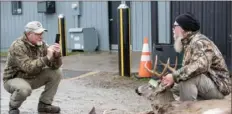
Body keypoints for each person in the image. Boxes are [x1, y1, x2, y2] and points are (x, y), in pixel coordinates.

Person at [161, 12, 231, 101]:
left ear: (183, 28)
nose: (172, 29)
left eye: (174, 26)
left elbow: (200, 66)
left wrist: (174, 76)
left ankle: (187, 109)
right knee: (171, 85)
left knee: (187, 78)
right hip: (206, 84)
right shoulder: (188, 43)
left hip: (219, 87)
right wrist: (171, 80)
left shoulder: (200, 42)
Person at [3, 21, 62, 114]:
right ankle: (13, 108)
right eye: (38, 34)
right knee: (24, 89)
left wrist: (56, 55)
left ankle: (44, 105)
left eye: (42, 33)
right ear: (29, 34)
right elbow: (28, 67)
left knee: (56, 72)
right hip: (14, 79)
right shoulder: (17, 46)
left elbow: (55, 66)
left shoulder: (41, 44)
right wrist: (47, 58)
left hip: (31, 77)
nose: (41, 36)